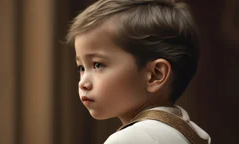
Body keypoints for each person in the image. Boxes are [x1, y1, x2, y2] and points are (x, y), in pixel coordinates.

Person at [66, 0, 211, 143]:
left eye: (98, 65)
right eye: (81, 68)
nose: (83, 83)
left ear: (155, 75)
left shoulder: (131, 139)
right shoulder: (191, 132)